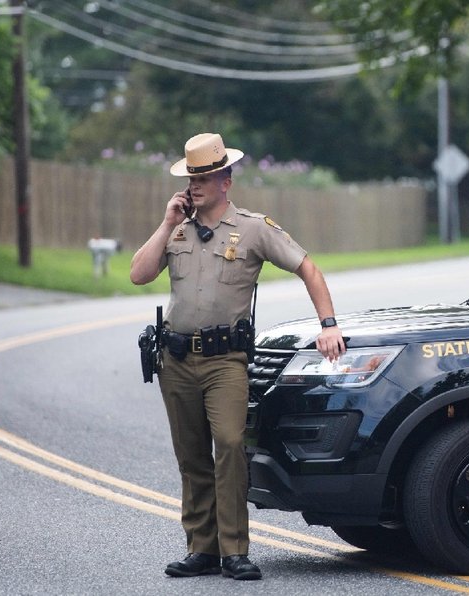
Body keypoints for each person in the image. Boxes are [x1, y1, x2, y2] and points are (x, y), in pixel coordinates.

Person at [130, 132, 345, 580]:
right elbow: (139, 274)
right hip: (176, 360)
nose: (196, 185)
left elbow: (308, 267)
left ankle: (235, 550)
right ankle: (202, 549)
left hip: (225, 361)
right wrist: (166, 223)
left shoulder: (253, 228)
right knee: (191, 456)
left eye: (205, 176)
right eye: (192, 176)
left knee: (228, 445)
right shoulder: (178, 230)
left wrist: (329, 326)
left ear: (226, 179)